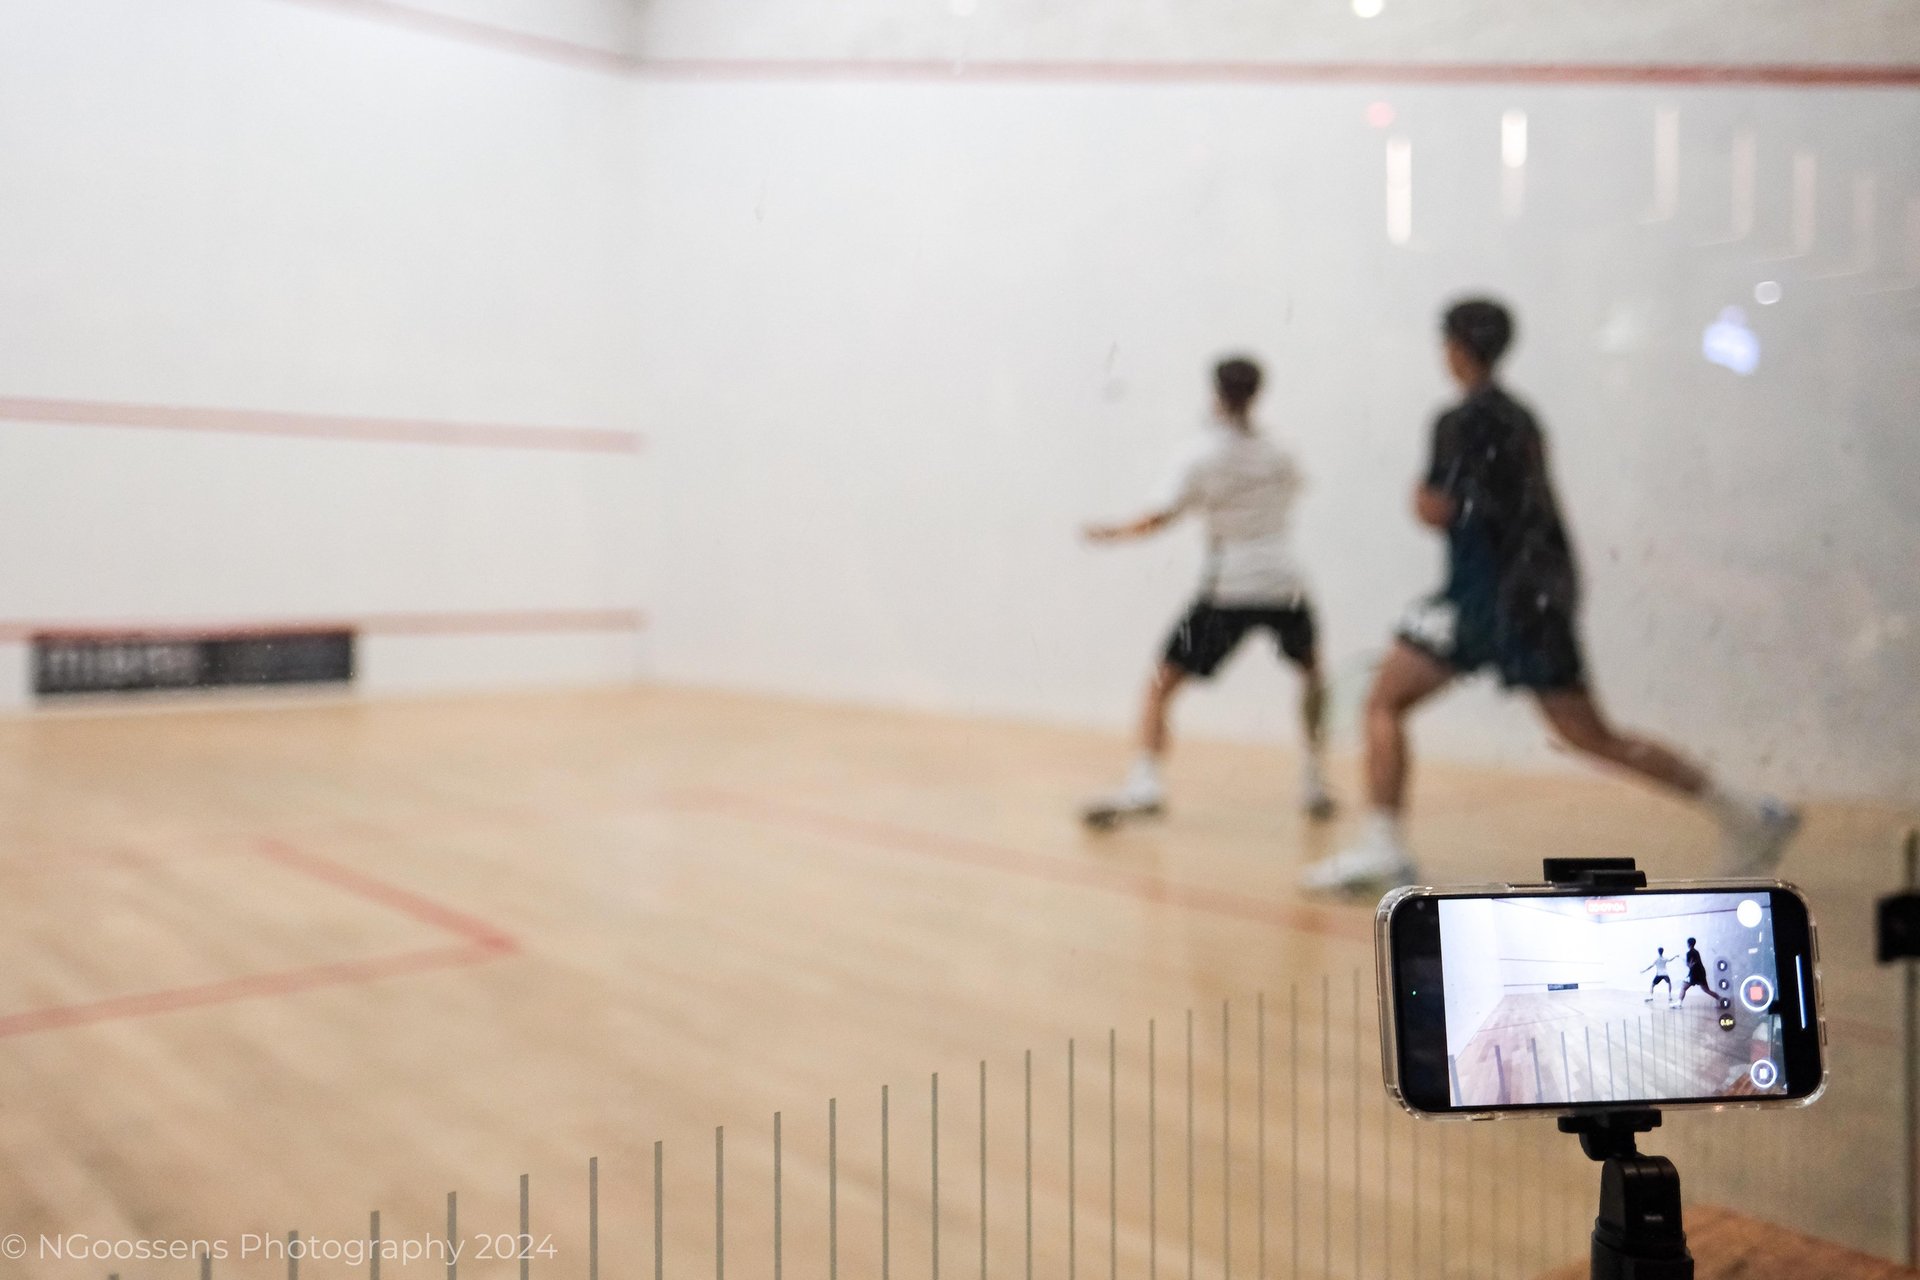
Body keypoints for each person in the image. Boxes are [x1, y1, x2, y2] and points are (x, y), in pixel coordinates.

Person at [1303, 298, 1799, 890]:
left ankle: (1750, 815)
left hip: (1489, 600)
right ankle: (1748, 813)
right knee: (1587, 736)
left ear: (1457, 349)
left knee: (1388, 704)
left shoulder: (1456, 421)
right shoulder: (1522, 417)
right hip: (1534, 594)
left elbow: (1434, 507)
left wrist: (1418, 495)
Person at [1082, 356, 1333, 827]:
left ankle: (1145, 784)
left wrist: (1111, 534)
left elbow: (1159, 516)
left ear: (1216, 391)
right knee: (1313, 675)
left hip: (1229, 588)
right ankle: (1316, 781)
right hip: (1285, 584)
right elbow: (1294, 489)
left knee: (1160, 686)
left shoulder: (1201, 453)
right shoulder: (1282, 450)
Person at [1678, 936, 1711, 1005]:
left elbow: (1689, 965)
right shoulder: (1696, 952)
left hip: (1694, 974)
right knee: (1707, 990)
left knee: (1683, 987)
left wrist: (1682, 959)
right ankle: (1720, 999)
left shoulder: (1689, 953)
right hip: (1701, 973)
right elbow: (1694, 963)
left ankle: (1679, 1003)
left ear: (1688, 944)